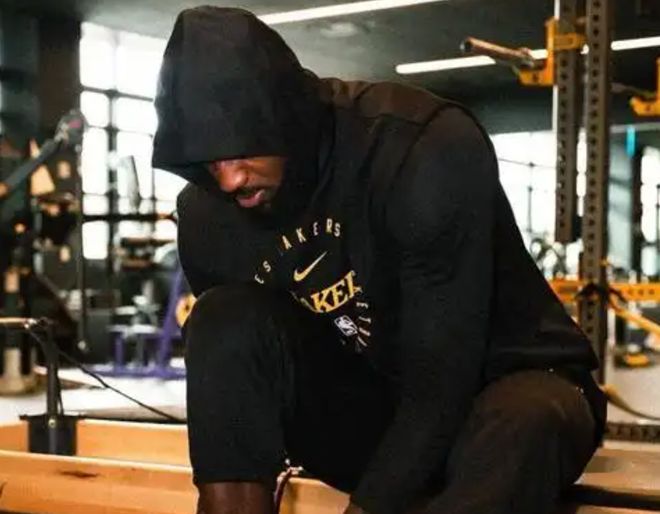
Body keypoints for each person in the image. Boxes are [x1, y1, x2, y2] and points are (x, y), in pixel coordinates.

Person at [152, 6, 607, 514]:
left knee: (526, 421)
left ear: (286, 114)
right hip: (377, 414)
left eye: (242, 150)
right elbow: (239, 385)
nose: (231, 179)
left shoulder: (419, 148)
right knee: (220, 320)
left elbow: (441, 377)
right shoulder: (207, 216)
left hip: (503, 389)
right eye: (210, 161)